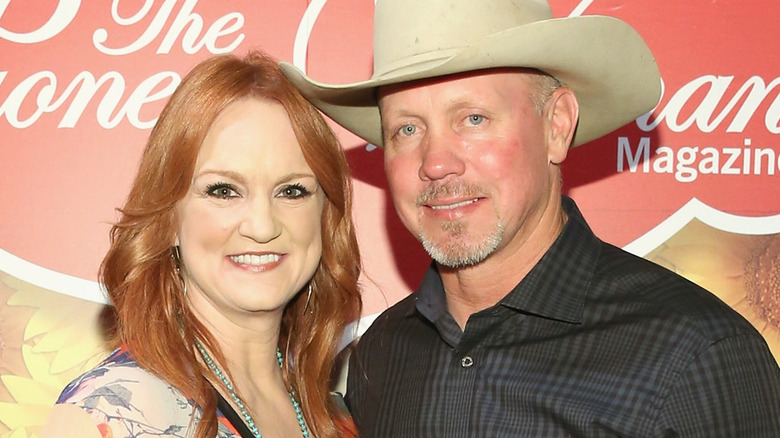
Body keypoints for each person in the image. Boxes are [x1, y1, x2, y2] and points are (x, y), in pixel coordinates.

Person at [280, 0, 780, 436]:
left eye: (472, 119)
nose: (435, 162)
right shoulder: (382, 356)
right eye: (407, 129)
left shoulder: (697, 353)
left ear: (557, 125)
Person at [42, 51, 362, 438]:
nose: (262, 226)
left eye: (292, 190)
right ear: (169, 219)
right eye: (223, 190)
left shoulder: (334, 415)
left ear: (325, 218)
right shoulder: (109, 416)